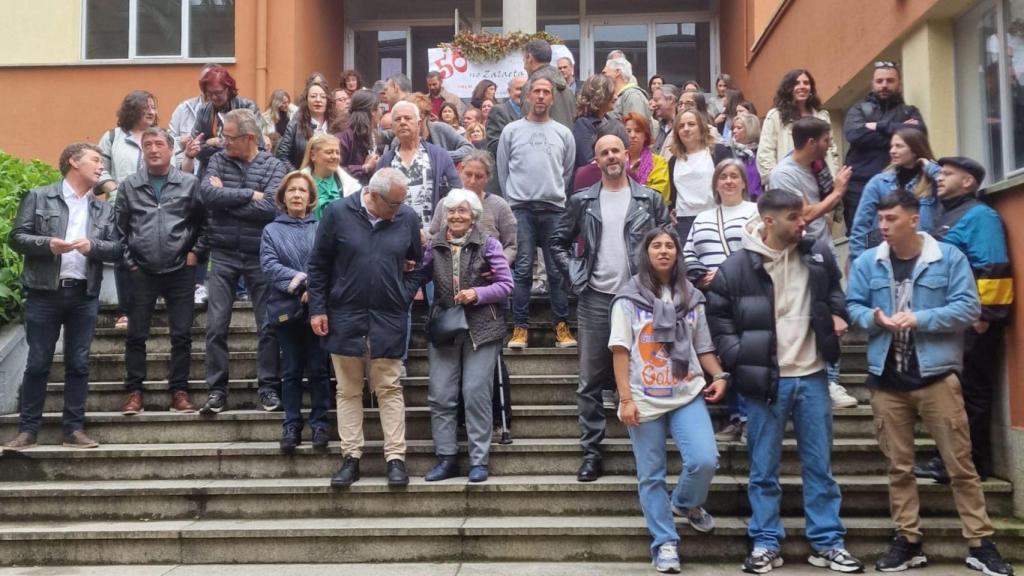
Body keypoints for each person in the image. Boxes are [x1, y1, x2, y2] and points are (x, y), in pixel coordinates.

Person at [846, 190, 1014, 576]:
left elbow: (969, 307)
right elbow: (852, 307)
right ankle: (908, 540)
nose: (883, 227)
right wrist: (874, 318)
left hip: (937, 377)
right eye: (881, 220)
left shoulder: (948, 257)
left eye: (891, 219)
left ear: (913, 220)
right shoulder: (869, 262)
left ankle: (980, 543)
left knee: (961, 465)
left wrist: (920, 318)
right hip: (887, 380)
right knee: (898, 467)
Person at [706, 189, 863, 575]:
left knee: (819, 466)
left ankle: (827, 542)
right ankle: (765, 541)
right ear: (770, 221)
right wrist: (741, 356)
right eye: (794, 216)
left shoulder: (819, 255)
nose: (803, 222)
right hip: (766, 381)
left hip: (811, 376)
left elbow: (836, 296)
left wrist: (838, 317)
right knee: (763, 469)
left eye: (802, 215)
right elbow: (719, 321)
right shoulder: (736, 267)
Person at [551, 133, 670, 483]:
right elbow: (557, 241)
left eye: (616, 150)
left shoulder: (649, 200)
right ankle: (592, 452)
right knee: (589, 380)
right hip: (596, 297)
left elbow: (667, 245)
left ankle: (647, 451)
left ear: (627, 154)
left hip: (641, 298)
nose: (611, 156)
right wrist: (574, 270)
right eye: (603, 152)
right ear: (596, 160)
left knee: (647, 374)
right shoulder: (582, 201)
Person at [609, 227, 726, 573]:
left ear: (678, 252)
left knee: (705, 459)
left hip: (686, 392)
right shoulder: (628, 298)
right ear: (645, 253)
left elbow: (702, 346)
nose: (663, 251)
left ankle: (686, 503)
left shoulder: (692, 297)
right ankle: (665, 542)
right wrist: (626, 399)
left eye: (669, 245)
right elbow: (620, 350)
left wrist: (719, 375)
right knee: (651, 475)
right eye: (656, 245)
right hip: (643, 398)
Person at [308, 168, 423, 489]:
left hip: (388, 318)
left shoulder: (407, 219)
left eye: (402, 204)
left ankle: (396, 458)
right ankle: (351, 458)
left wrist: (402, 295)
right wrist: (318, 307)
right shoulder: (337, 213)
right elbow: (318, 265)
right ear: (373, 195)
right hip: (345, 316)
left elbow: (420, 264)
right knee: (347, 389)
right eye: (395, 204)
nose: (399, 210)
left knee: (389, 387)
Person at [4, 143, 120, 451]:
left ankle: (74, 429)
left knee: (79, 363)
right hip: (45, 292)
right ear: (73, 162)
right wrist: (47, 244)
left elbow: (118, 248)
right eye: (96, 160)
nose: (101, 167)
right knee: (38, 362)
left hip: (84, 293)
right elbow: (16, 237)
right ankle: (27, 431)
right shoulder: (40, 196)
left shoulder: (102, 208)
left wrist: (92, 247)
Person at [914, 156, 1014, 485]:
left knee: (970, 392)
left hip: (971, 321)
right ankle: (950, 457)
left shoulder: (980, 215)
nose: (939, 178)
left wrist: (985, 316)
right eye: (939, 172)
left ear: (968, 181)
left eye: (947, 173)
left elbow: (994, 266)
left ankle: (971, 462)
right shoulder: (948, 213)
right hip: (949, 319)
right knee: (952, 392)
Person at [196, 109, 286, 415]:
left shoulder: (274, 165)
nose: (223, 142)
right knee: (216, 326)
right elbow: (207, 195)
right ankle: (216, 391)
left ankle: (269, 388)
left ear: (249, 138)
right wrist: (250, 194)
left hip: (260, 255)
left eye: (229, 137)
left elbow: (272, 207)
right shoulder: (218, 160)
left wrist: (229, 200)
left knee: (268, 326)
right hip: (222, 254)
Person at [421, 188, 514, 483]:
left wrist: (477, 293)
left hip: (482, 327)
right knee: (441, 394)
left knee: (475, 392)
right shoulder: (434, 244)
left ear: (473, 216)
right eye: (451, 211)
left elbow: (506, 284)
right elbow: (419, 274)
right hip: (446, 326)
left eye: (463, 211)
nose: (456, 216)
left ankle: (478, 460)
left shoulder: (489, 244)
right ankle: (446, 458)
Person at [768, 117, 858, 409]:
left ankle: (831, 378)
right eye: (826, 139)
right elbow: (803, 215)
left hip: (823, 249)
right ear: (811, 143)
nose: (830, 144)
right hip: (800, 253)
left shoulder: (816, 168)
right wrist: (838, 193)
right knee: (816, 313)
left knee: (834, 313)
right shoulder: (785, 174)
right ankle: (827, 382)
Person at [116, 127, 205, 417]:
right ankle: (135, 392)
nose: (153, 149)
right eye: (147, 145)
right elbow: (119, 230)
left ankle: (179, 391)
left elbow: (205, 224)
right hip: (141, 270)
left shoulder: (189, 184)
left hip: (180, 269)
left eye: (158, 144)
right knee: (136, 334)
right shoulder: (129, 186)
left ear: (171, 150)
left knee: (181, 334)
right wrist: (131, 263)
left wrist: (195, 253)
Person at [498, 76, 578, 350]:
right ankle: (520, 328)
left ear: (552, 99)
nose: (541, 96)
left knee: (556, 271)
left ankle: (561, 327)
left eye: (546, 92)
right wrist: (512, 201)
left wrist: (554, 192)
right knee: (521, 270)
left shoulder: (563, 133)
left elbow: (566, 172)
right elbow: (503, 170)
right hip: (521, 208)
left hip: (554, 207)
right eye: (537, 92)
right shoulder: (511, 131)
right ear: (528, 97)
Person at [682, 159, 758, 443]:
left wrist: (726, 275)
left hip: (747, 296)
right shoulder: (702, 217)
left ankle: (752, 418)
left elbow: (763, 251)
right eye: (723, 176)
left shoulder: (756, 212)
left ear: (743, 182)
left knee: (746, 357)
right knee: (724, 357)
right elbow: (688, 254)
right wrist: (701, 276)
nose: (728, 181)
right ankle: (736, 417)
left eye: (734, 176)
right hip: (712, 300)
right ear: (715, 183)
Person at [259, 171, 331, 453]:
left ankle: (320, 423)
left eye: (302, 190)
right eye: (292, 191)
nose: (297, 195)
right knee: (289, 371)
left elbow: (328, 261)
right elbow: (269, 264)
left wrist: (314, 288)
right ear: (283, 197)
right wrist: (303, 281)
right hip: (286, 310)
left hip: (318, 310)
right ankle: (291, 424)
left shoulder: (322, 227)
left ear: (311, 197)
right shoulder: (271, 231)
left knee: (318, 369)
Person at [96, 90, 160, 331]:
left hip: (153, 209)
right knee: (124, 260)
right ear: (132, 110)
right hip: (120, 209)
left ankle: (148, 309)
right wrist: (114, 190)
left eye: (154, 107)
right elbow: (100, 169)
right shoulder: (112, 137)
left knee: (151, 258)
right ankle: (125, 310)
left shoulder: (160, 137)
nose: (153, 112)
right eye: (147, 108)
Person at [843, 61, 926, 236]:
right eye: (879, 81)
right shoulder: (859, 110)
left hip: (901, 186)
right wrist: (899, 129)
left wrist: (878, 126)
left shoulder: (909, 111)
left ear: (899, 84)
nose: (884, 85)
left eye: (890, 81)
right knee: (866, 240)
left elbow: (918, 134)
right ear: (873, 84)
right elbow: (855, 134)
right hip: (860, 187)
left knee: (901, 236)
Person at [848, 128, 939, 261]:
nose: (892, 151)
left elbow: (953, 187)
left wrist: (931, 168)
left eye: (899, 146)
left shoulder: (931, 183)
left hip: (924, 257)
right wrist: (859, 261)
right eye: (891, 146)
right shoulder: (878, 183)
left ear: (915, 149)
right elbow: (860, 226)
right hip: (884, 258)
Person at [377, 101, 462, 232]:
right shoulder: (386, 160)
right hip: (396, 234)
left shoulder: (439, 155)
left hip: (433, 236)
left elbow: (456, 192)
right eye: (398, 119)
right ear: (393, 127)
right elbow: (377, 199)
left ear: (419, 123)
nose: (403, 122)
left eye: (408, 118)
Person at [429, 150, 517, 263]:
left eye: (479, 176)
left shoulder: (499, 205)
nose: (472, 181)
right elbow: (433, 237)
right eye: (468, 174)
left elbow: (511, 246)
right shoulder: (445, 204)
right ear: (460, 171)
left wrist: (498, 266)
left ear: (488, 177)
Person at [757, 69, 839, 180]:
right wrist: (777, 181)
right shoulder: (776, 116)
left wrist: (834, 177)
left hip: (821, 181)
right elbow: (765, 153)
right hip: (789, 182)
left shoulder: (822, 116)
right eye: (796, 83)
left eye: (806, 83)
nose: (802, 86)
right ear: (788, 88)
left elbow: (831, 149)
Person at [666, 109, 734, 241]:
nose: (686, 129)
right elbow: (673, 195)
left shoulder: (718, 152)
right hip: (684, 222)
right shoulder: (673, 161)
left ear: (701, 127)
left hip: (715, 217)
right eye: (681, 126)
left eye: (691, 124)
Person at [183, 66, 262, 177]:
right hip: (210, 173)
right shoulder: (203, 110)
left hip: (243, 172)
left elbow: (256, 144)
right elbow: (196, 148)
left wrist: (216, 142)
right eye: (209, 93)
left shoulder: (248, 107)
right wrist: (229, 146)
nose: (214, 97)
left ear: (229, 89)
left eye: (218, 93)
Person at [393, 93, 474, 166]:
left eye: (409, 117)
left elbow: (469, 148)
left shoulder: (440, 129)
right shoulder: (398, 140)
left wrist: (440, 156)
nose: (404, 122)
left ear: (426, 115)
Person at [276, 81, 339, 171]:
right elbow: (282, 156)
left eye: (322, 97)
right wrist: (299, 176)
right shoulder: (295, 125)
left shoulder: (337, 125)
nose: (318, 100)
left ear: (328, 101)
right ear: (306, 100)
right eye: (313, 96)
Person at [300, 133, 361, 220]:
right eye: (329, 152)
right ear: (313, 155)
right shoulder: (299, 183)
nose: (335, 156)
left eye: (337, 152)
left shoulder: (352, 187)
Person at [521, 39, 576, 129]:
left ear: (529, 57)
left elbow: (528, 126)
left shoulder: (533, 86)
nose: (523, 63)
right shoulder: (566, 86)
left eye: (523, 58)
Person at [485, 76, 527, 192]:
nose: (522, 93)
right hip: (505, 180)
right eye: (519, 89)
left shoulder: (532, 113)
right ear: (509, 91)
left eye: (525, 89)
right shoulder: (499, 111)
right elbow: (494, 145)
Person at [572, 74, 621, 169]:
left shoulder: (611, 122)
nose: (616, 97)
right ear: (600, 96)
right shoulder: (583, 125)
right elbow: (588, 162)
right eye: (612, 93)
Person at [169, 64, 217, 160]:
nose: (208, 86)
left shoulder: (229, 111)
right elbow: (167, 142)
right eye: (204, 81)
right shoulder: (183, 109)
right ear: (200, 83)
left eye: (212, 81)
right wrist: (180, 141)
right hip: (185, 170)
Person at [335, 89, 382, 185]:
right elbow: (333, 169)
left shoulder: (371, 134)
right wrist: (364, 168)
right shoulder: (344, 135)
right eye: (380, 107)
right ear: (373, 111)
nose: (381, 112)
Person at [623, 112, 670, 204]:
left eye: (638, 131)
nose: (632, 135)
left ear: (645, 135)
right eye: (628, 131)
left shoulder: (659, 162)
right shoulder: (618, 162)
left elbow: (659, 195)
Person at [604, 56, 651, 125]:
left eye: (604, 73)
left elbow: (637, 130)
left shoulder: (633, 96)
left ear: (617, 72)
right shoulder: (619, 96)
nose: (602, 77)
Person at [728, 112, 763, 200]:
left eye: (738, 128)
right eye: (733, 128)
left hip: (759, 201)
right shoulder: (729, 151)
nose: (734, 131)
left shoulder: (761, 151)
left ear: (750, 129)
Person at [651, 84, 679, 156]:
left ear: (670, 99)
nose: (653, 105)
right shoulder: (658, 127)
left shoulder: (682, 127)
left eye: (656, 100)